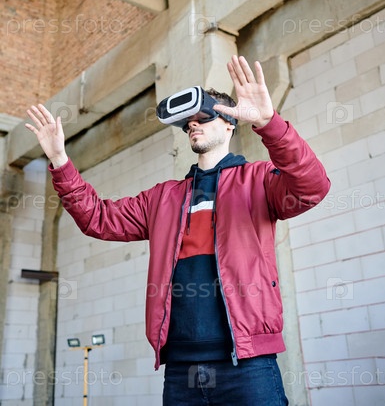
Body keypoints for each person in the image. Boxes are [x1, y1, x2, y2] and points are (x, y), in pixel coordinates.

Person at [26, 55, 330, 406]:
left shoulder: (257, 181)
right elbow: (97, 218)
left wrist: (269, 123)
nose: (193, 125)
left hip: (247, 365)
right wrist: (60, 161)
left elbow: (313, 187)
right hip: (181, 369)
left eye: (203, 117)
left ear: (230, 125)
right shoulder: (163, 198)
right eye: (188, 123)